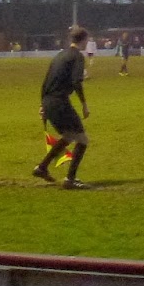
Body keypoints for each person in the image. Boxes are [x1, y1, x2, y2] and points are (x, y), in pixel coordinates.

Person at [32, 27, 92, 188]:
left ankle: (41, 168)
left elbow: (46, 81)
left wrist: (42, 104)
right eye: (87, 40)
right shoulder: (77, 57)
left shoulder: (60, 55)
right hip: (59, 102)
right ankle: (70, 179)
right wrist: (84, 104)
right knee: (82, 139)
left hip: (49, 100)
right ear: (84, 40)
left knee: (69, 136)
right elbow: (76, 82)